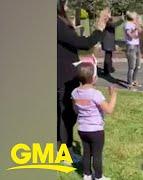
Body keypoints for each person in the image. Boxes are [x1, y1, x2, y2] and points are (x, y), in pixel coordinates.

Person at [57, 0, 109, 162]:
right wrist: (99, 27)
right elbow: (83, 43)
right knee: (67, 116)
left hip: (65, 73)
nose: (67, 6)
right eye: (65, 3)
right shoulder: (56, 22)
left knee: (64, 115)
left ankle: (62, 149)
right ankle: (64, 153)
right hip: (63, 76)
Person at [72, 62, 117, 180]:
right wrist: (113, 96)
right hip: (96, 131)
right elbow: (109, 110)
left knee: (86, 153)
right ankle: (98, 177)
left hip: (82, 129)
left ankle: (86, 175)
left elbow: (76, 109)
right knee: (97, 155)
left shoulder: (74, 92)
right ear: (93, 78)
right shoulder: (95, 94)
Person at [101, 8, 124, 76]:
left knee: (109, 55)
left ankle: (109, 68)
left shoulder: (108, 20)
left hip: (109, 39)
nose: (110, 14)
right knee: (108, 56)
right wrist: (121, 20)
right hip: (107, 40)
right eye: (109, 13)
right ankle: (106, 70)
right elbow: (113, 25)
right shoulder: (106, 20)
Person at [124, 11, 141, 90]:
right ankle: (129, 84)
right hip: (131, 47)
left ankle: (134, 80)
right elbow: (130, 35)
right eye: (135, 16)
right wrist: (135, 29)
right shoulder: (128, 24)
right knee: (132, 67)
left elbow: (139, 33)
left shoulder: (134, 24)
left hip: (137, 46)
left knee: (138, 65)